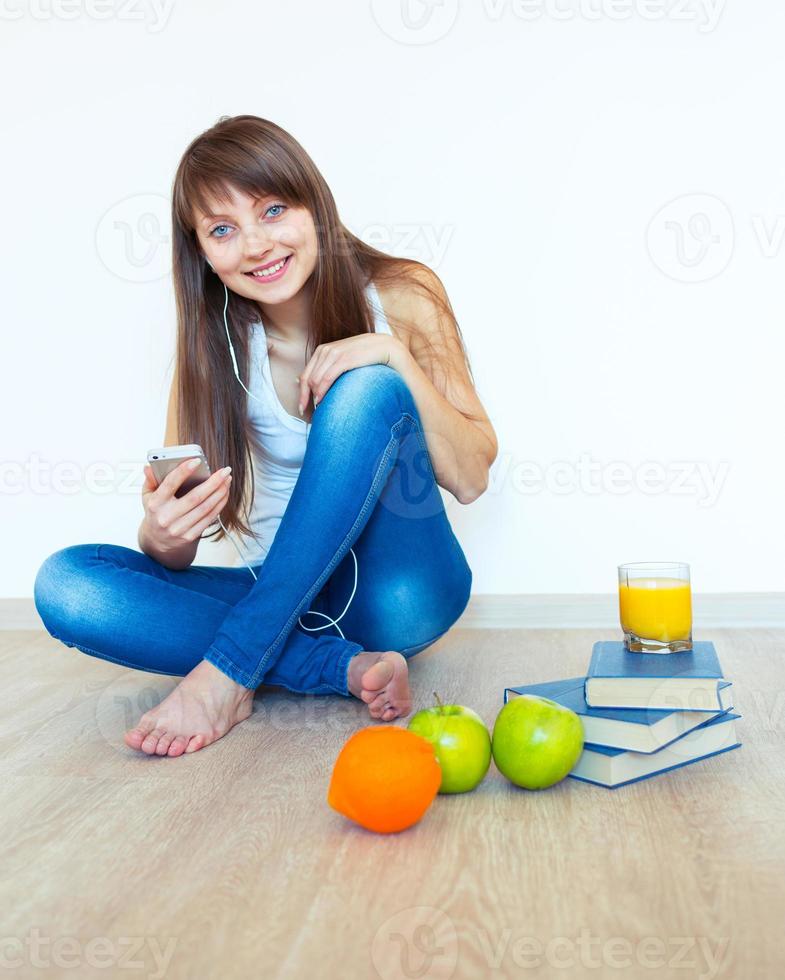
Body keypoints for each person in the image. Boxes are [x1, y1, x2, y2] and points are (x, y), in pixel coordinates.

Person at [33, 115, 498, 758]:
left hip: (398, 593)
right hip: (281, 602)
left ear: (314, 207)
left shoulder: (403, 295)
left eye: (272, 210)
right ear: (201, 251)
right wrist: (161, 536)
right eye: (223, 230)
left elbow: (472, 477)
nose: (254, 245)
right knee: (67, 583)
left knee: (364, 386)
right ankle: (332, 668)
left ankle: (230, 670)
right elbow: (180, 550)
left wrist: (391, 356)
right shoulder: (210, 347)